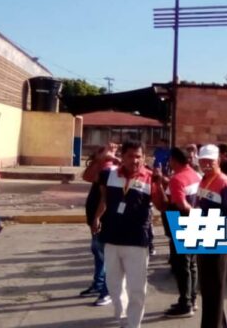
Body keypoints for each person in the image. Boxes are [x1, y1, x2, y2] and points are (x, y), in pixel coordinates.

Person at [92, 140, 163, 328]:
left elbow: (161, 206)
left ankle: (133, 324)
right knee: (114, 287)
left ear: (144, 158)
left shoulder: (150, 177)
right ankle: (123, 318)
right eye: (130, 156)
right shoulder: (110, 174)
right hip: (111, 238)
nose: (135, 160)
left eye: (139, 156)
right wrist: (97, 217)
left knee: (137, 289)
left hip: (137, 241)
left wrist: (159, 184)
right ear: (122, 157)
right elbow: (101, 196)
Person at [151, 147, 202, 318]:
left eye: (170, 159)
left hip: (180, 224)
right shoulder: (195, 175)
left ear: (174, 160)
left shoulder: (177, 179)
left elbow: (180, 204)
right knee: (192, 264)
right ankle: (192, 299)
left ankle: (185, 304)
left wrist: (159, 184)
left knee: (181, 266)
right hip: (194, 223)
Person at [195, 144, 227, 328]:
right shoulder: (205, 179)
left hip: (217, 242)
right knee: (208, 291)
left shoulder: (223, 183)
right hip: (203, 239)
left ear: (218, 161)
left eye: (210, 161)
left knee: (214, 290)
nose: (206, 164)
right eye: (202, 161)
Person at [78, 145, 116, 307]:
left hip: (104, 219)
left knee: (106, 253)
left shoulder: (113, 170)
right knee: (98, 252)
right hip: (95, 217)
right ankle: (99, 284)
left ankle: (107, 290)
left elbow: (105, 199)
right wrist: (99, 160)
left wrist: (98, 217)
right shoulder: (101, 168)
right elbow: (87, 176)